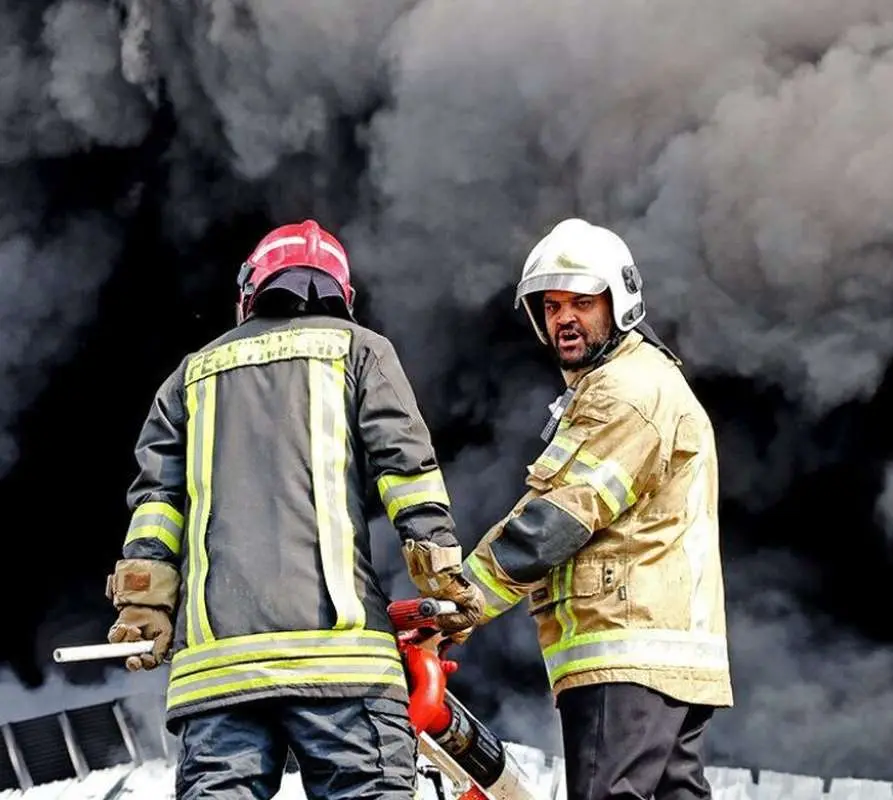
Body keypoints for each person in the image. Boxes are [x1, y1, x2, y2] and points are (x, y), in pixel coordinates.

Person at [102, 219, 485, 800]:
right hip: (343, 665)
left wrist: (144, 605)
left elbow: (157, 504)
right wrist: (443, 579)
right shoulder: (362, 351)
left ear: (250, 290)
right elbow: (407, 471)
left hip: (218, 673)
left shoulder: (190, 376)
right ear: (341, 294)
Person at [459, 218, 735, 800]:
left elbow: (557, 519)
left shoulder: (626, 392)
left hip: (626, 650)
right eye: (551, 306)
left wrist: (458, 604)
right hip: (667, 658)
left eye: (582, 302)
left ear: (620, 302)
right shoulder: (643, 382)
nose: (564, 319)